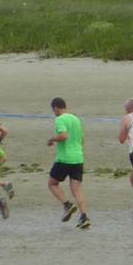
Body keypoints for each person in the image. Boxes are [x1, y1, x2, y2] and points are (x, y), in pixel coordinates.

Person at [47, 97, 88, 229]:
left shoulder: (60, 119)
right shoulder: (76, 119)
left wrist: (52, 139)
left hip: (64, 158)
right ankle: (84, 217)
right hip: (78, 158)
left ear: (56, 108)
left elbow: (64, 136)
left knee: (52, 183)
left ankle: (67, 205)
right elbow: (82, 139)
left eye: (53, 110)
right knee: (77, 189)